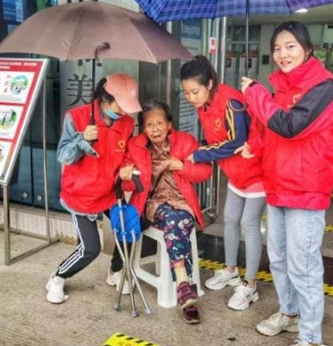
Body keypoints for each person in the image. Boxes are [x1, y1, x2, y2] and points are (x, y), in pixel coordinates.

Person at [239, 21, 333, 346]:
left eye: (291, 46)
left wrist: (255, 94)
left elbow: (290, 125)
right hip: (278, 184)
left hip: (307, 188)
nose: (283, 54)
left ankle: (311, 338)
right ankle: (289, 311)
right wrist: (253, 146)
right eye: (278, 48)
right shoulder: (279, 88)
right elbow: (272, 134)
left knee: (304, 264)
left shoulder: (324, 87)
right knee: (279, 258)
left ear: (307, 49)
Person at [46, 74, 142, 304]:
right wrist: (82, 139)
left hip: (110, 193)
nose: (123, 113)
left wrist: (129, 169)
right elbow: (63, 156)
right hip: (81, 195)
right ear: (104, 98)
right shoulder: (77, 117)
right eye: (120, 106)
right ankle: (58, 277)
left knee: (128, 230)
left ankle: (115, 271)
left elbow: (127, 155)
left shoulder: (127, 124)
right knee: (90, 248)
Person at [180, 56, 266, 311]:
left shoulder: (232, 101)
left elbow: (236, 141)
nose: (191, 98)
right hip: (236, 173)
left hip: (256, 171)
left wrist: (201, 154)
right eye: (186, 93)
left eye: (195, 91)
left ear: (209, 83)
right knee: (229, 220)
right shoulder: (203, 105)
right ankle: (230, 270)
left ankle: (250, 286)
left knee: (249, 225)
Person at [118, 100, 212, 324]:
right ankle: (183, 283)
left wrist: (180, 166)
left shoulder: (186, 142)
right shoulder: (136, 146)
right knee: (174, 221)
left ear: (169, 124)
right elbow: (127, 186)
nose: (155, 129)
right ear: (143, 128)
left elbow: (205, 171)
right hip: (154, 204)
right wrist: (126, 176)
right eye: (150, 124)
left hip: (182, 202)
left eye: (160, 123)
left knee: (177, 220)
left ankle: (182, 285)